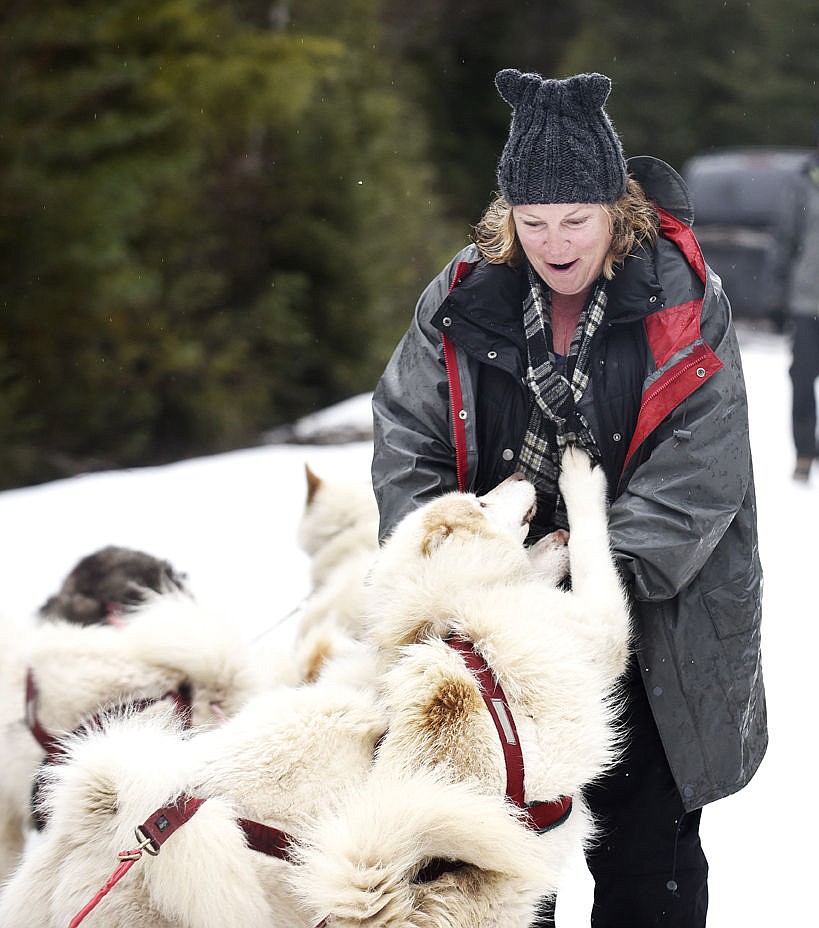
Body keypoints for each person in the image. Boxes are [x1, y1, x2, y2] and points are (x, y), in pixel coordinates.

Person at [371, 69, 766, 927]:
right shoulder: (459, 299)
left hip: (650, 632)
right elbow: (408, 436)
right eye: (534, 220)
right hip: (498, 643)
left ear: (613, 212)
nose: (554, 241)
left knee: (645, 867)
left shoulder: (682, 301)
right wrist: (454, 561)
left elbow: (701, 471)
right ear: (506, 217)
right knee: (504, 871)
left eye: (575, 220)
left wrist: (594, 584)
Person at [767, 137, 819, 481]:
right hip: (807, 301)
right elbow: (783, 241)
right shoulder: (803, 183)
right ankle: (804, 452)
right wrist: (776, 299)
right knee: (802, 377)